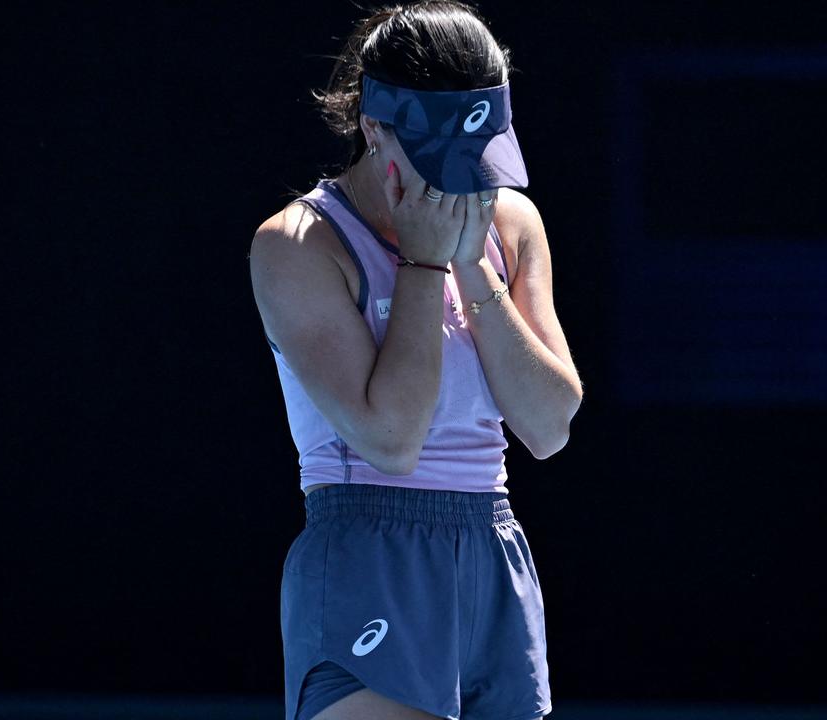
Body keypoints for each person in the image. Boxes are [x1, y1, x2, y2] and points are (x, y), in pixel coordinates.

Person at [247, 2, 583, 718]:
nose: (461, 181)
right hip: (369, 551)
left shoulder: (513, 223)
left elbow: (550, 426)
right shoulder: (296, 245)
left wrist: (471, 265)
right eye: (439, 159)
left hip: (493, 552)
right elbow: (393, 441)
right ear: (373, 126)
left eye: (477, 156)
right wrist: (425, 264)